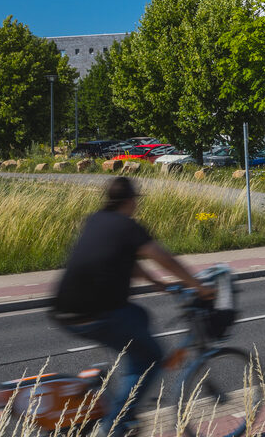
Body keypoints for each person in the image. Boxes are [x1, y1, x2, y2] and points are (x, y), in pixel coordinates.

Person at [51, 177, 212, 436]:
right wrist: (198, 286)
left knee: (139, 315)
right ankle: (114, 425)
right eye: (136, 201)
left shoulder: (95, 219)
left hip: (61, 308)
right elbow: (163, 257)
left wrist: (156, 283)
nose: (136, 206)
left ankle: (115, 393)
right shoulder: (128, 226)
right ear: (130, 201)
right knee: (152, 357)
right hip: (98, 313)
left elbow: (127, 261)